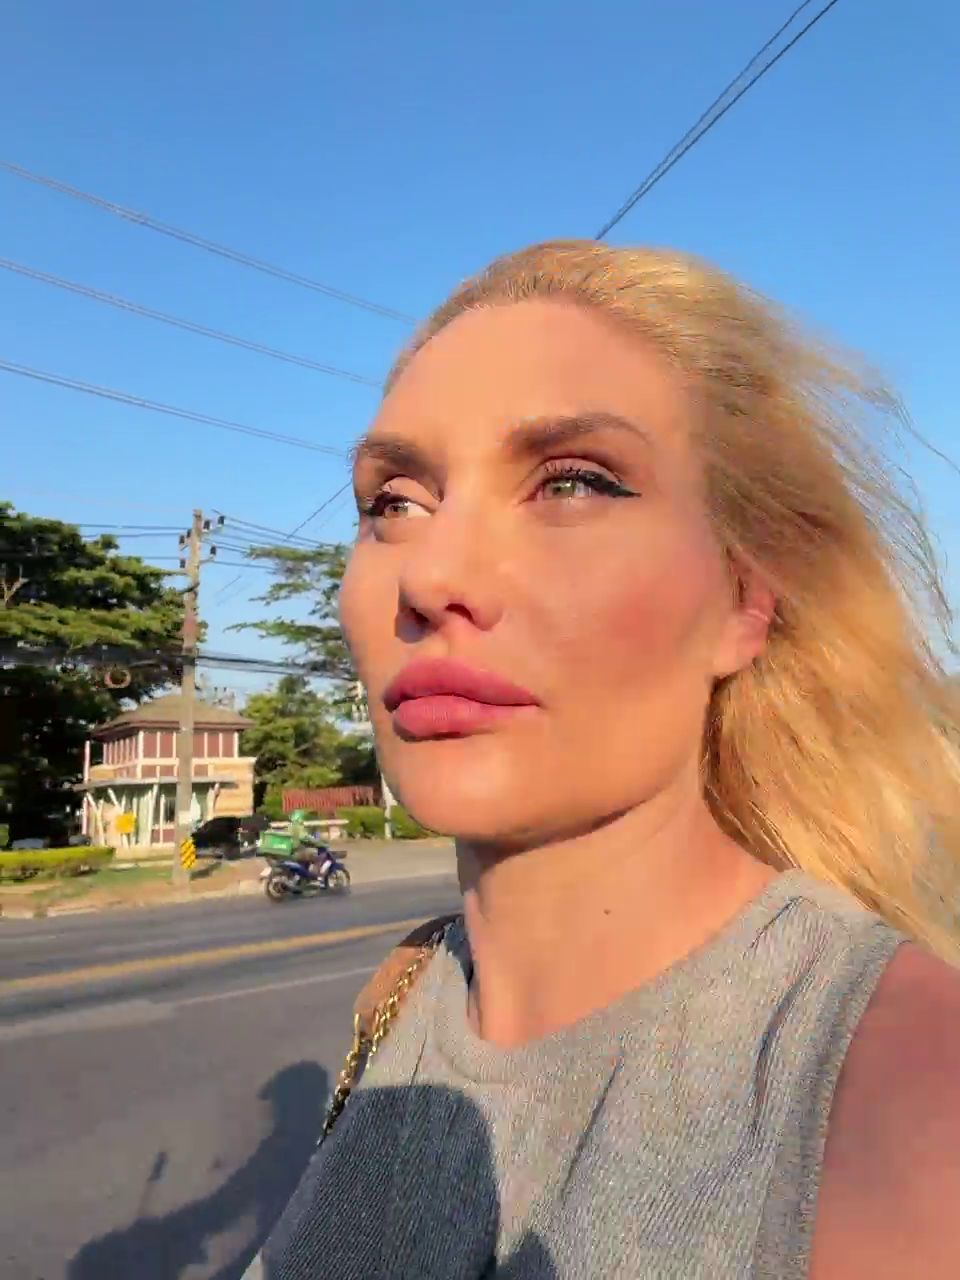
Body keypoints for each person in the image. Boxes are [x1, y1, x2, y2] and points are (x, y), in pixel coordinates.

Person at [252, 241, 960, 1279]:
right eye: (394, 501)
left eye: (574, 482)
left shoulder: (904, 1080)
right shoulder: (401, 993)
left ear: (744, 600)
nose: (431, 576)